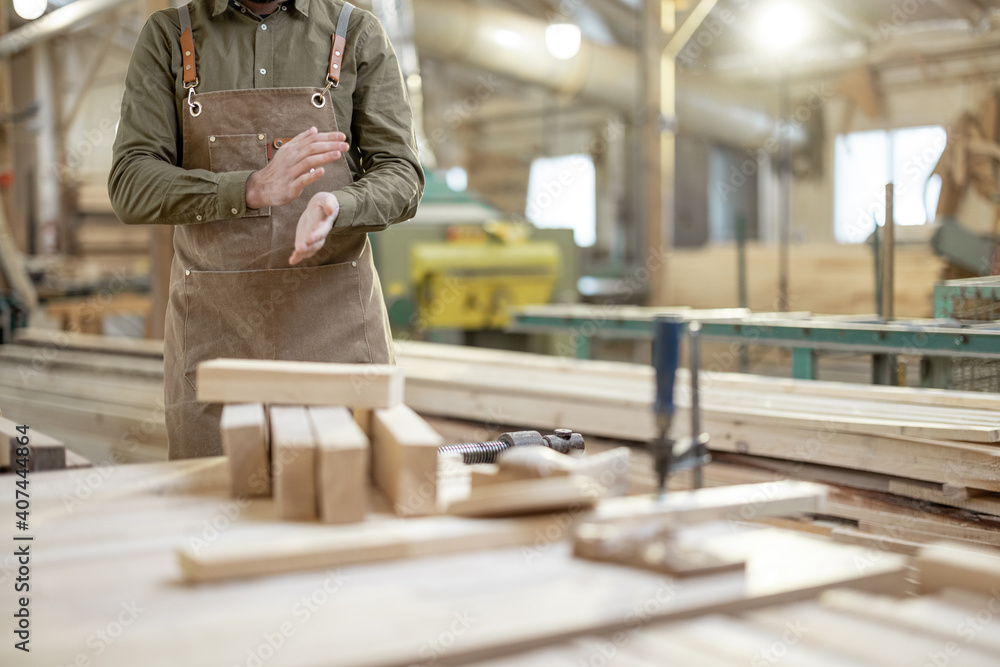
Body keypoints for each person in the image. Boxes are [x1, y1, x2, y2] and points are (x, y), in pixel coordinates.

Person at [109, 0, 423, 459]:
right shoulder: (169, 37)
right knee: (214, 502)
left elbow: (403, 174)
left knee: (345, 506)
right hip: (215, 344)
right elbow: (130, 183)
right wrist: (250, 188)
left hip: (337, 336)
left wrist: (339, 204)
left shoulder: (354, 32)